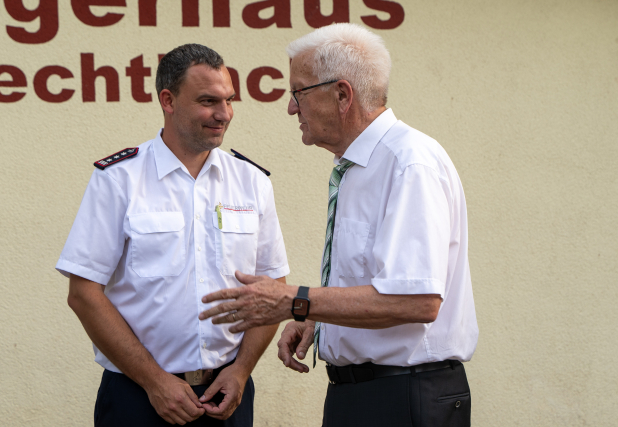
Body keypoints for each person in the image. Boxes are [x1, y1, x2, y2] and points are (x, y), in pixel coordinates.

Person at [199, 24, 478, 427]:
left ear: (342, 95)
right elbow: (376, 277)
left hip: (404, 398)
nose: (292, 108)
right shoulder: (359, 165)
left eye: (298, 92)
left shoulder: (408, 163)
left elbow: (416, 300)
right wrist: (320, 319)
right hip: (366, 395)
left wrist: (295, 301)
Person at [56, 43, 290, 427]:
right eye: (208, 101)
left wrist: (242, 370)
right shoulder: (119, 179)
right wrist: (154, 382)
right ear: (168, 99)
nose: (224, 114)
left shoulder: (252, 182)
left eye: (229, 101)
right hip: (138, 396)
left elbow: (273, 288)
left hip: (227, 393)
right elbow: (83, 295)